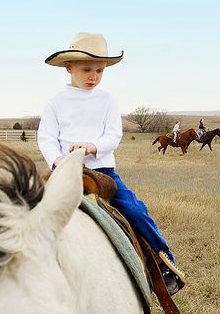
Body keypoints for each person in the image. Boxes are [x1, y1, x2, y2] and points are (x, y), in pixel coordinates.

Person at [37, 32, 185, 295]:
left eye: (99, 70)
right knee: (30, 209)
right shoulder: (55, 103)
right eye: (86, 69)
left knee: (135, 210)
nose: (93, 76)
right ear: (69, 67)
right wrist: (60, 161)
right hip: (64, 172)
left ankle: (165, 264)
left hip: (103, 172)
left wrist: (91, 147)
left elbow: (113, 135)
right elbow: (46, 139)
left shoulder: (107, 100)